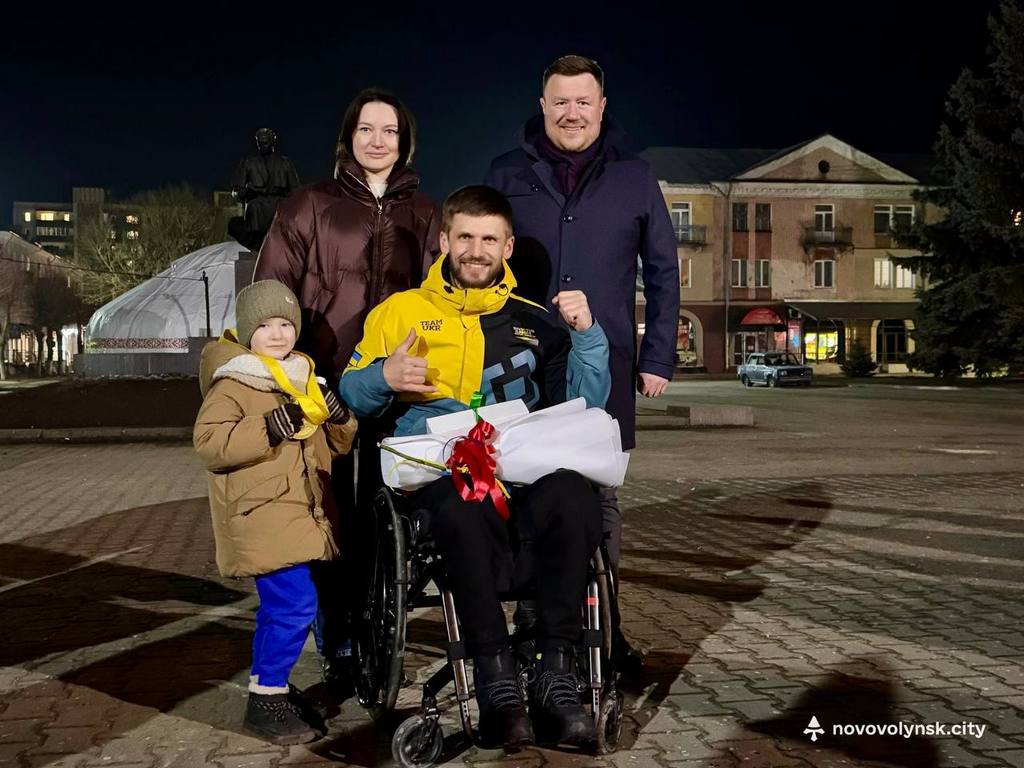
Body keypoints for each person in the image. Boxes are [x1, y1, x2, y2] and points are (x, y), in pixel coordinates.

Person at [339, 185, 609, 749]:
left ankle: (556, 674)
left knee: (574, 496)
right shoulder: (400, 312)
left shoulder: (537, 322)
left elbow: (585, 404)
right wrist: (382, 377)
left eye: (489, 239)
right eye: (465, 237)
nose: (476, 250)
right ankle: (494, 681)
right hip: (440, 475)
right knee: (463, 503)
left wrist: (587, 336)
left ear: (507, 247)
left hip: (522, 469)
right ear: (444, 240)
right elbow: (353, 395)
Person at [485, 55, 680, 669]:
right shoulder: (506, 172)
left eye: (583, 101)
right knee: (523, 488)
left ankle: (604, 631)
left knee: (599, 496)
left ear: (601, 106)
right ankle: (532, 625)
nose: (572, 113)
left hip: (606, 357)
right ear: (543, 106)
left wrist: (657, 356)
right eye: (560, 101)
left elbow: (664, 271)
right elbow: (479, 257)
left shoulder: (635, 176)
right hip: (522, 360)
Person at [254, 88, 441, 690]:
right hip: (325, 384)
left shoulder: (427, 214)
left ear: (404, 142)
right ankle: (337, 639)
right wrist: (289, 369)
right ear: (348, 137)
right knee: (331, 513)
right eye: (366, 129)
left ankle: (383, 627)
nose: (377, 141)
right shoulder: (309, 205)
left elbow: (443, 297)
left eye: (389, 131)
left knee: (390, 514)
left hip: (398, 385)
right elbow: (272, 290)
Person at [193, 280, 357, 744]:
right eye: (265, 326)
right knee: (295, 605)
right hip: (263, 515)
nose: (278, 333)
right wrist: (265, 426)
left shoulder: (303, 377)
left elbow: (336, 446)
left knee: (281, 608)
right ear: (248, 331)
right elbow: (209, 443)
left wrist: (341, 418)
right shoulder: (234, 383)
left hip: (301, 514)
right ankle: (266, 701)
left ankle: (269, 690)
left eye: (285, 324)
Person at [229, 128, 301, 252]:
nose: (262, 146)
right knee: (234, 225)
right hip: (261, 216)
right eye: (260, 143)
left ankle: (264, 247)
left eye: (265, 142)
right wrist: (246, 192)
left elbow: (296, 193)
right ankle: (261, 247)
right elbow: (237, 191)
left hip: (275, 214)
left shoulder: (284, 163)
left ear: (272, 142)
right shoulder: (249, 163)